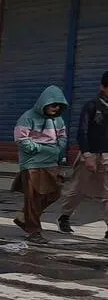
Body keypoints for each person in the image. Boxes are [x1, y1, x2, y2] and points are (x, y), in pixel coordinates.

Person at [13, 86, 68, 243]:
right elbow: (21, 139)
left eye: (58, 106)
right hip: (32, 163)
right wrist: (37, 148)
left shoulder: (58, 119)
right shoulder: (27, 117)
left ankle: (25, 217)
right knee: (33, 197)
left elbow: (63, 135)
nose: (55, 108)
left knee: (54, 193)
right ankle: (33, 231)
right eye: (52, 105)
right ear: (44, 103)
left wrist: (58, 148)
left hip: (50, 162)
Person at [57, 71, 108, 240]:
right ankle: (65, 216)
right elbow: (82, 132)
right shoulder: (92, 106)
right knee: (78, 189)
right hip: (91, 152)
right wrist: (87, 155)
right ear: (103, 87)